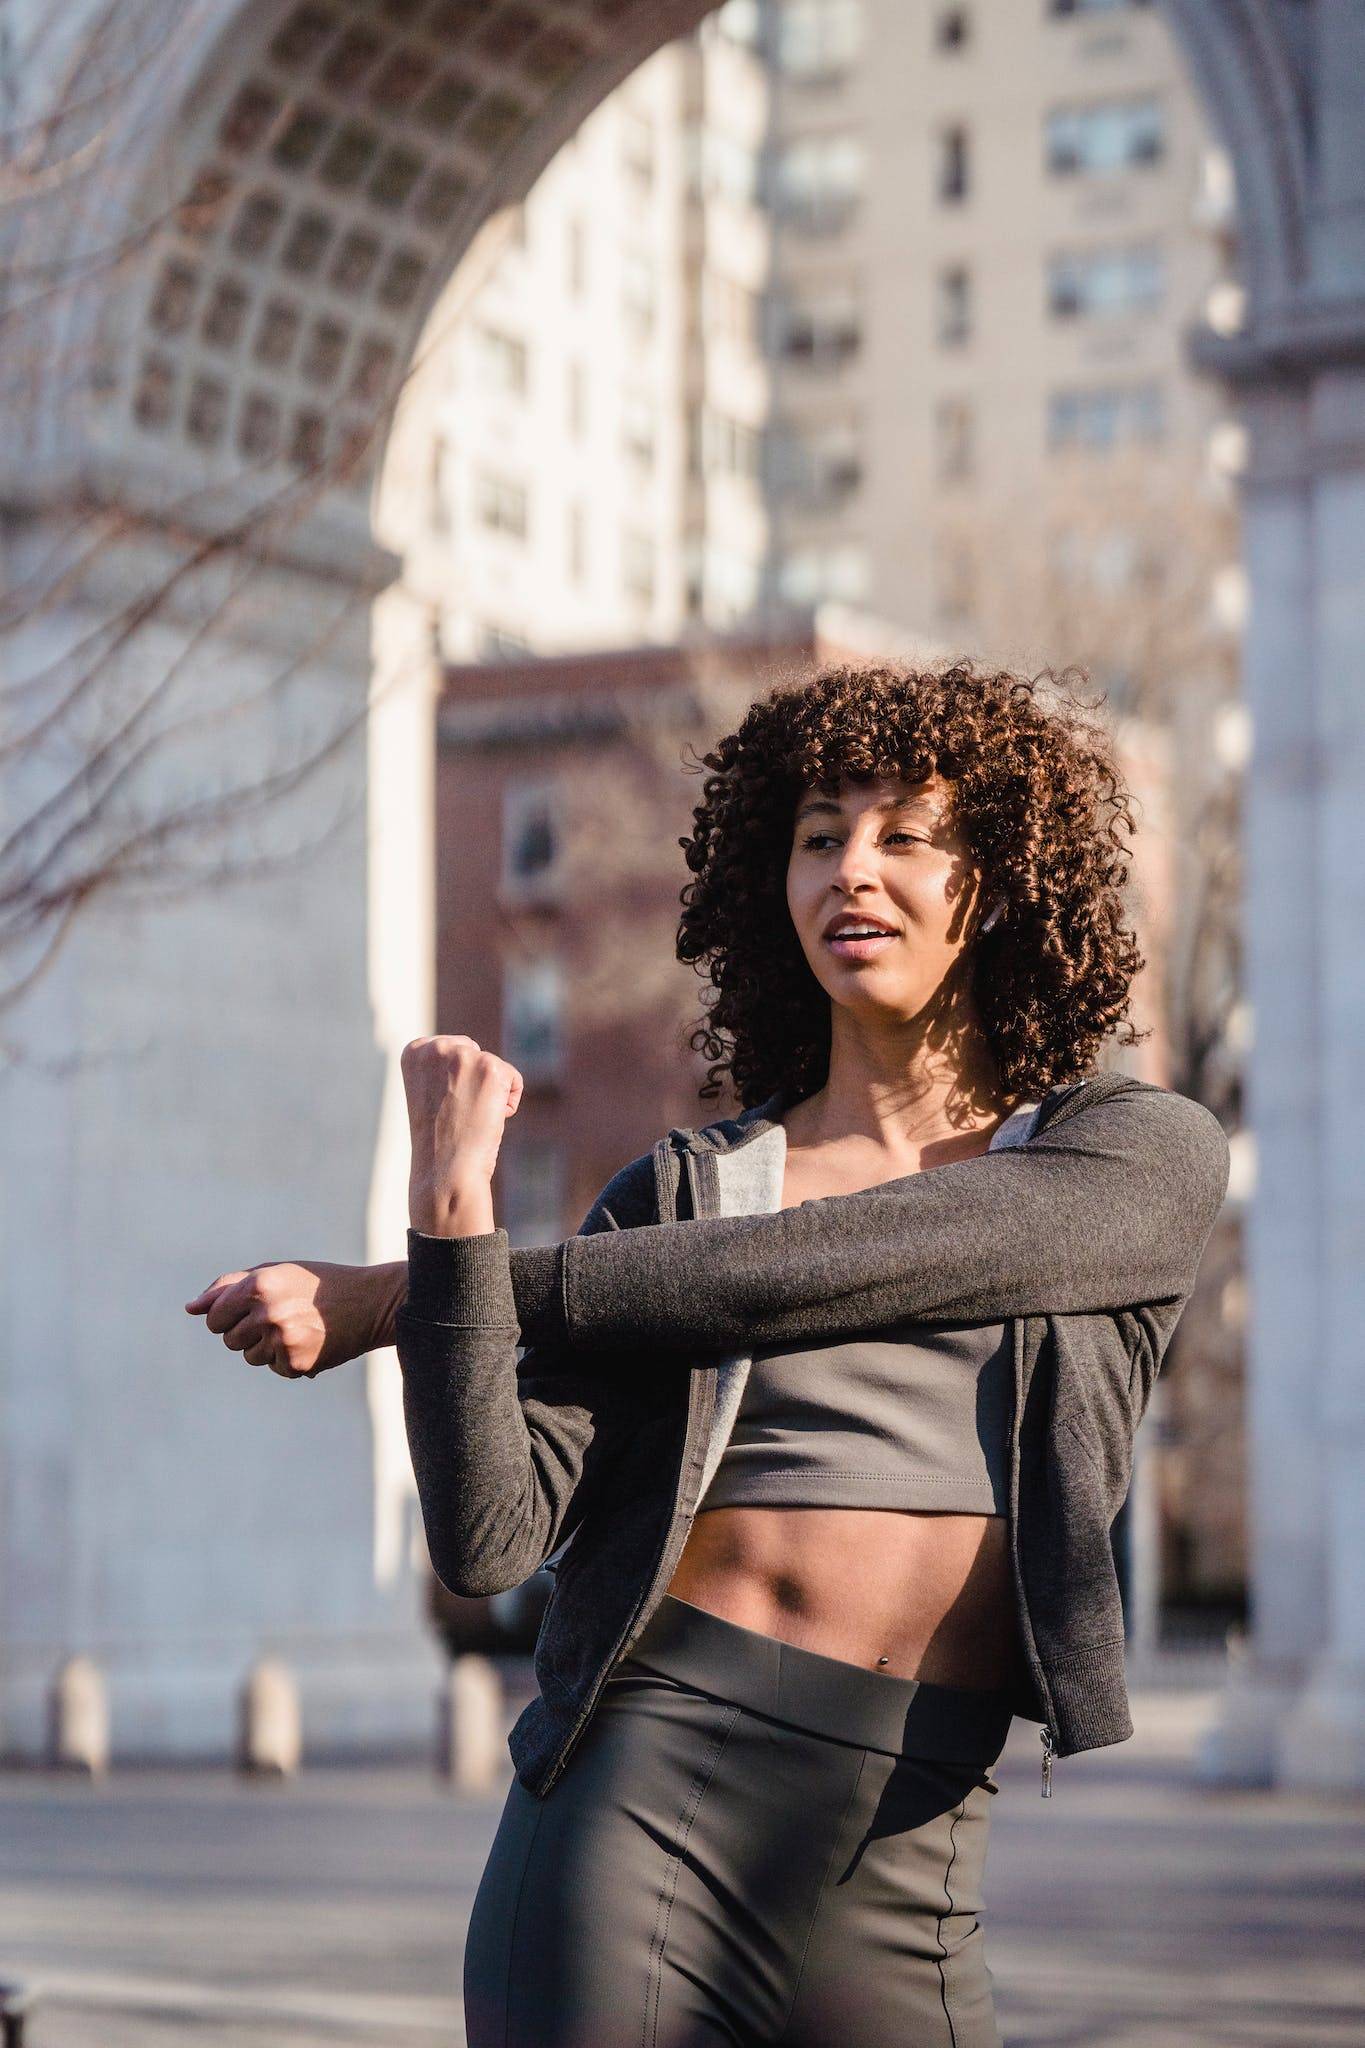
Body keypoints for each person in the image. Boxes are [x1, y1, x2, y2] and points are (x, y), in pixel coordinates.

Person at [187, 660, 1231, 2047]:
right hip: (644, 1798)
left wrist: (395, 1300)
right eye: (816, 838)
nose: (851, 871)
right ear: (769, 881)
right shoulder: (681, 1196)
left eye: (904, 836)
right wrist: (449, 1221)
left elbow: (824, 1268)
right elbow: (493, 1540)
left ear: (996, 881)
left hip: (911, 1849)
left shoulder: (1126, 1154)